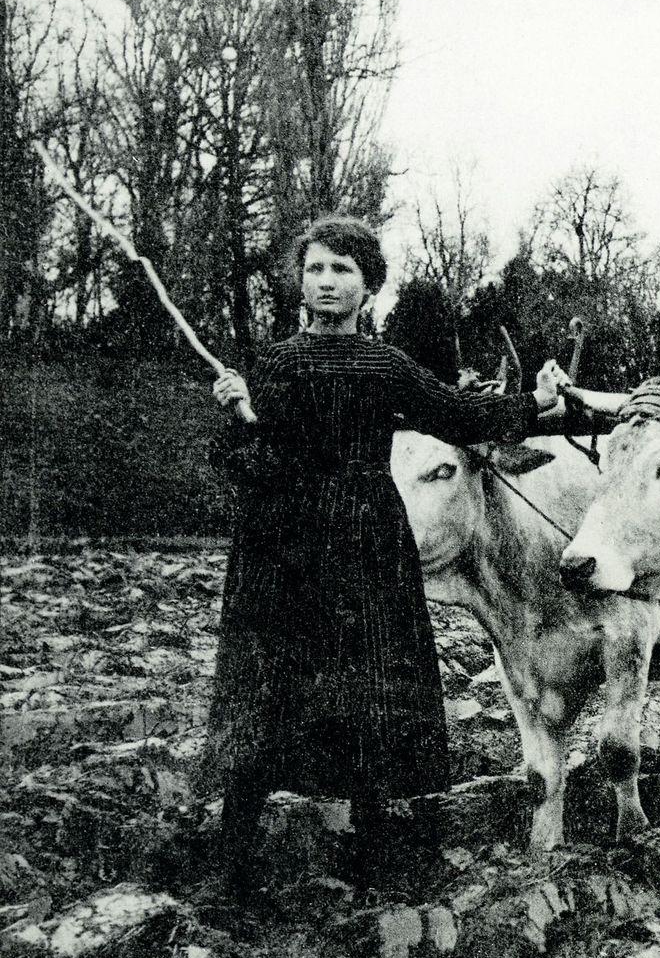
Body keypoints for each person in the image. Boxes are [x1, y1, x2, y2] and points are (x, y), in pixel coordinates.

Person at [201, 215, 560, 905]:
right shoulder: (271, 364)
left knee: (368, 694)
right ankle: (235, 871)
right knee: (269, 691)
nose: (327, 282)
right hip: (283, 552)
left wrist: (537, 401)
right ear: (299, 282)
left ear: (369, 288)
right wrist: (240, 414)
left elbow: (460, 415)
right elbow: (238, 460)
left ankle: (375, 865)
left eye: (343, 270)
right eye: (316, 269)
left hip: (366, 546)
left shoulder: (387, 365)